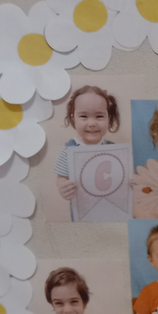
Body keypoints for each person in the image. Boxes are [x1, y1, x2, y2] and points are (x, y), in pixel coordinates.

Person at [54, 85, 120, 218]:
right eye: (84, 116)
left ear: (108, 118)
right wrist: (62, 187)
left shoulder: (114, 149)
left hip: (109, 209)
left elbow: (120, 175)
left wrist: (130, 182)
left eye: (99, 116)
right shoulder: (69, 150)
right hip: (82, 211)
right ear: (73, 118)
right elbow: (62, 177)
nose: (92, 123)